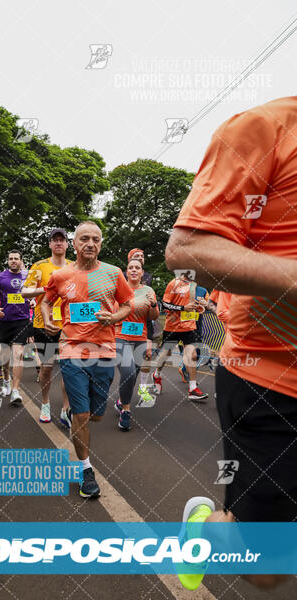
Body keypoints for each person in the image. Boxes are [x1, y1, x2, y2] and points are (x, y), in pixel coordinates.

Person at [165, 96, 297, 590]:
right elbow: (187, 251)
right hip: (270, 379)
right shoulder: (265, 128)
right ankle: (208, 526)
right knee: (268, 573)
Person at [41, 221, 132, 498]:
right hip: (71, 350)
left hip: (103, 351)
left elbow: (128, 303)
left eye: (95, 239)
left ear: (101, 244)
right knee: (81, 415)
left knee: (95, 415)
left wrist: (115, 317)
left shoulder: (113, 273)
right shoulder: (62, 275)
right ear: (75, 243)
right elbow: (46, 300)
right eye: (84, 239)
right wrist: (47, 319)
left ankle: (76, 414)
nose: (90, 243)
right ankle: (86, 469)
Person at [21, 228, 72, 425]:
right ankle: (45, 403)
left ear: (67, 245)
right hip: (44, 324)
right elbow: (25, 291)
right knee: (47, 367)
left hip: (68, 325)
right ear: (50, 244)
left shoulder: (73, 266)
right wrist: (47, 288)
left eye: (62, 240)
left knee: (69, 367)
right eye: (55, 240)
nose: (59, 243)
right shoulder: (39, 266)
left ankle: (66, 409)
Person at [114, 258, 159, 430]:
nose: (133, 270)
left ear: (142, 272)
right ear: (126, 271)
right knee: (128, 370)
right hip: (119, 335)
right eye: (130, 267)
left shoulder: (148, 290)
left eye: (137, 268)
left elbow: (153, 317)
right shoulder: (118, 289)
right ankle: (126, 410)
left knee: (132, 376)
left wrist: (154, 304)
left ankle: (120, 401)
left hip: (140, 338)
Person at [152, 271, 208, 401]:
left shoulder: (194, 285)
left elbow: (193, 307)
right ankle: (156, 374)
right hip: (173, 326)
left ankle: (192, 389)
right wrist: (183, 308)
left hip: (189, 326)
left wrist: (199, 308)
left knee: (192, 355)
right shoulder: (174, 283)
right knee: (165, 355)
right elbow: (165, 304)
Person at [0, 250, 29, 406]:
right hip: (5, 320)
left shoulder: (27, 276)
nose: (13, 261)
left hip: (22, 320)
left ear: (21, 260)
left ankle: (15, 390)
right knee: (5, 355)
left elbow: (33, 294)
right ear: (8, 261)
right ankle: (6, 380)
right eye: (11, 258)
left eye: (16, 258)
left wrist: (33, 301)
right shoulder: (0, 277)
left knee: (18, 354)